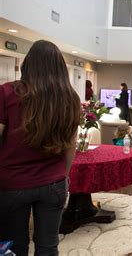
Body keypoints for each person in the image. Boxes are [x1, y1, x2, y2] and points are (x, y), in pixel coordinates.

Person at [0, 40, 81, 255]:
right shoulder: (70, 98)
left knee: (14, 248)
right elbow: (70, 145)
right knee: (48, 246)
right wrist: (62, 175)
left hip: (12, 183)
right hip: (53, 183)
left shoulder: (7, 92)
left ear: (28, 64)